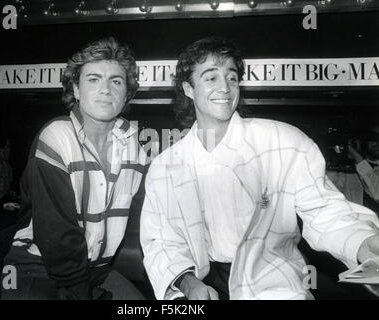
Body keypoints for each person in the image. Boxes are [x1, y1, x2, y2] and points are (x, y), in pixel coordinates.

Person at [140, 37, 379, 300]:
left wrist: (362, 244)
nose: (225, 88)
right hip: (204, 288)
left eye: (231, 78)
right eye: (211, 78)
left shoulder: (284, 142)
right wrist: (187, 283)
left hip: (276, 287)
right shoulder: (165, 166)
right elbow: (161, 242)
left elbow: (325, 212)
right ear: (188, 88)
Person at [1, 37, 147, 300]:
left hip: (97, 272)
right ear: (76, 90)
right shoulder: (56, 136)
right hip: (38, 269)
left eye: (116, 81)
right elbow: (58, 237)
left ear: (126, 94)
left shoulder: (134, 145)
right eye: (93, 79)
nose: (106, 89)